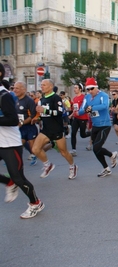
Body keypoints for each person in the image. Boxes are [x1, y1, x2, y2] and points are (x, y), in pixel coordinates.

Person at [0, 64, 44, 219]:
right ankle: (9, 182)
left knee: (19, 178)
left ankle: (35, 203)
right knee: (14, 179)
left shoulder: (4, 96)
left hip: (10, 144)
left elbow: (12, 120)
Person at [31, 79, 78, 179]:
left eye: (44, 85)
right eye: (41, 85)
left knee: (63, 152)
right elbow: (44, 114)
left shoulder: (56, 98)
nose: (41, 86)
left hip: (57, 129)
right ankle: (48, 165)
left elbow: (60, 113)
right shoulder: (42, 99)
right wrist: (37, 118)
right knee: (35, 149)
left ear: (51, 86)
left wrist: (45, 110)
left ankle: (72, 166)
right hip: (46, 130)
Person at [77, 77, 118, 177]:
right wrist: (86, 109)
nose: (90, 91)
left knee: (96, 147)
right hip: (95, 125)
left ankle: (112, 155)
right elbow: (80, 110)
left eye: (92, 88)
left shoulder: (103, 95)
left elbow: (105, 105)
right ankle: (107, 167)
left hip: (105, 125)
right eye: (88, 89)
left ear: (96, 87)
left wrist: (92, 108)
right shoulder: (87, 98)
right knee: (96, 150)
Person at [13, 82, 39, 166]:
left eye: (17, 88)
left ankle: (51, 145)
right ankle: (14, 162)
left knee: (34, 149)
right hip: (21, 128)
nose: (14, 90)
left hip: (30, 128)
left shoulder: (29, 101)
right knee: (17, 146)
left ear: (23, 89)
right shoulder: (15, 99)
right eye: (14, 88)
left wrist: (22, 123)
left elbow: (33, 115)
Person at [69, 83, 91, 156]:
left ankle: (93, 133)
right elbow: (75, 109)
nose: (74, 89)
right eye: (74, 88)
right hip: (76, 118)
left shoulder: (84, 97)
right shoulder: (74, 98)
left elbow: (87, 107)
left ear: (80, 89)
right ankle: (73, 150)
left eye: (76, 88)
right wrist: (71, 115)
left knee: (83, 135)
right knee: (73, 133)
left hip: (83, 118)